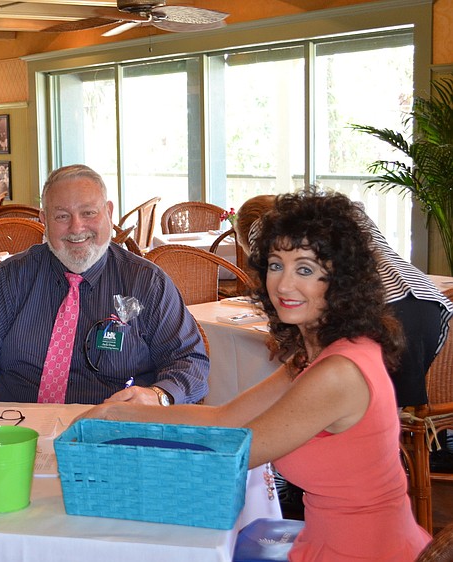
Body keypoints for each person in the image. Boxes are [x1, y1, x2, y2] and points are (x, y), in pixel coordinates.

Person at [83, 190, 430, 561]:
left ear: (341, 280)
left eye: (306, 269)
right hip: (327, 541)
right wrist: (125, 413)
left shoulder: (338, 372)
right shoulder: (317, 352)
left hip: (366, 551)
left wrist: (127, 432)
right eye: (276, 264)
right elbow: (224, 418)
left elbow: (236, 448)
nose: (283, 285)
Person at [0, 164, 209, 421]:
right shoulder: (12, 277)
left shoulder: (147, 282)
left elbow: (189, 360)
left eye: (88, 213)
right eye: (62, 216)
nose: (77, 228)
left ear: (109, 213)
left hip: (112, 432)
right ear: (44, 220)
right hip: (20, 430)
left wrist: (158, 396)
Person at [235, 194, 453, 408]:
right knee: (401, 403)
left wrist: (281, 336)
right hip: (426, 296)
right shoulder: (337, 216)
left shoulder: (266, 229)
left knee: (375, 403)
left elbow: (275, 288)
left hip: (381, 304)